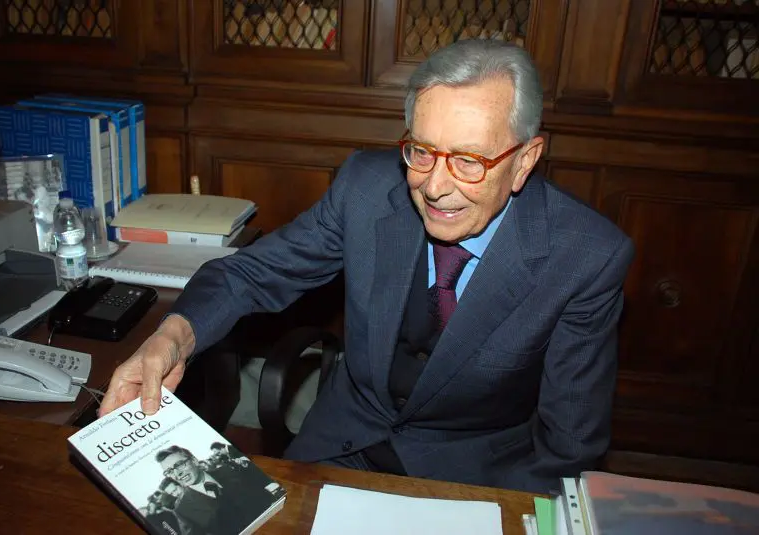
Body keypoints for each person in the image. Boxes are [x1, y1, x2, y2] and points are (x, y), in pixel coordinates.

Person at [101, 39, 634, 494]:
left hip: (472, 476)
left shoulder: (585, 257)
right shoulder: (366, 188)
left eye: (469, 161)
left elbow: (570, 446)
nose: (435, 186)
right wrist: (172, 337)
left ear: (524, 161)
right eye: (421, 151)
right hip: (341, 442)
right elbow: (250, 273)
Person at [156, 446, 272, 533]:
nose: (177, 473)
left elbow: (266, 494)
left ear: (194, 460)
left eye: (179, 464)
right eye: (169, 471)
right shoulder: (183, 510)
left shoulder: (230, 470)